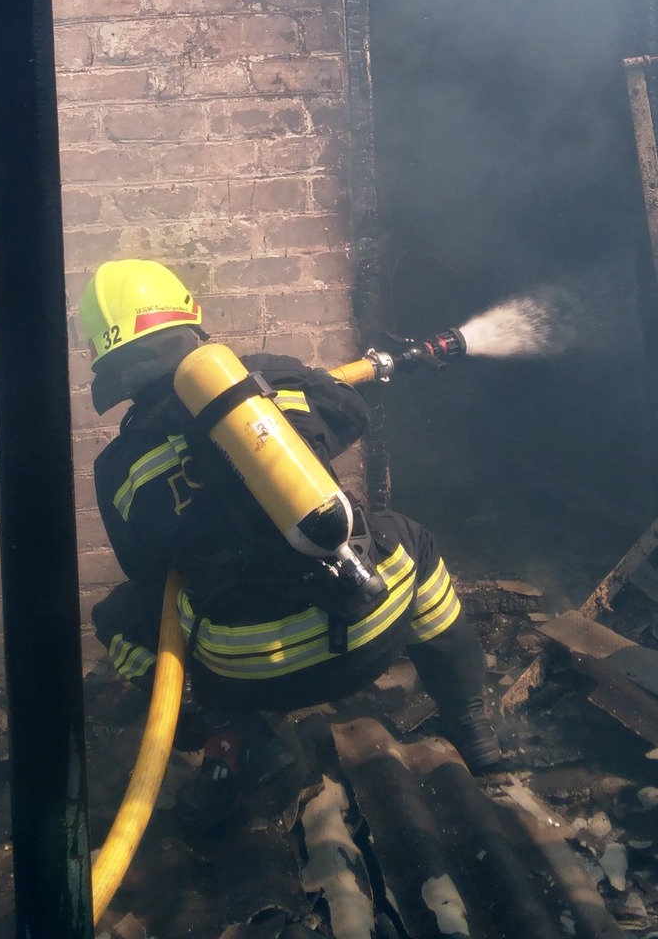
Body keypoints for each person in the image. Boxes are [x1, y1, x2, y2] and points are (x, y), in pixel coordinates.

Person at [82, 258, 502, 833]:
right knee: (414, 542)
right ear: (189, 319)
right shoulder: (269, 378)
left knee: (118, 618)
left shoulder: (118, 468)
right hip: (369, 623)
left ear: (107, 361)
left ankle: (233, 733)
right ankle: (472, 726)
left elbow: (146, 572)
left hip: (245, 669)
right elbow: (351, 413)